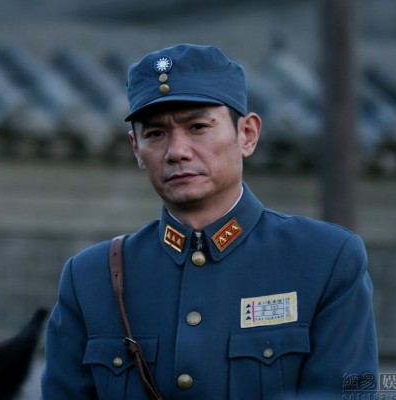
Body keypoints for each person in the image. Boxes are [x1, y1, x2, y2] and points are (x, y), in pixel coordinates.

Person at [40, 43, 378, 399]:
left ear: (247, 134)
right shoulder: (90, 279)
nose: (176, 151)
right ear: (136, 149)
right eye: (155, 134)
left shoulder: (324, 260)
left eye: (198, 127)